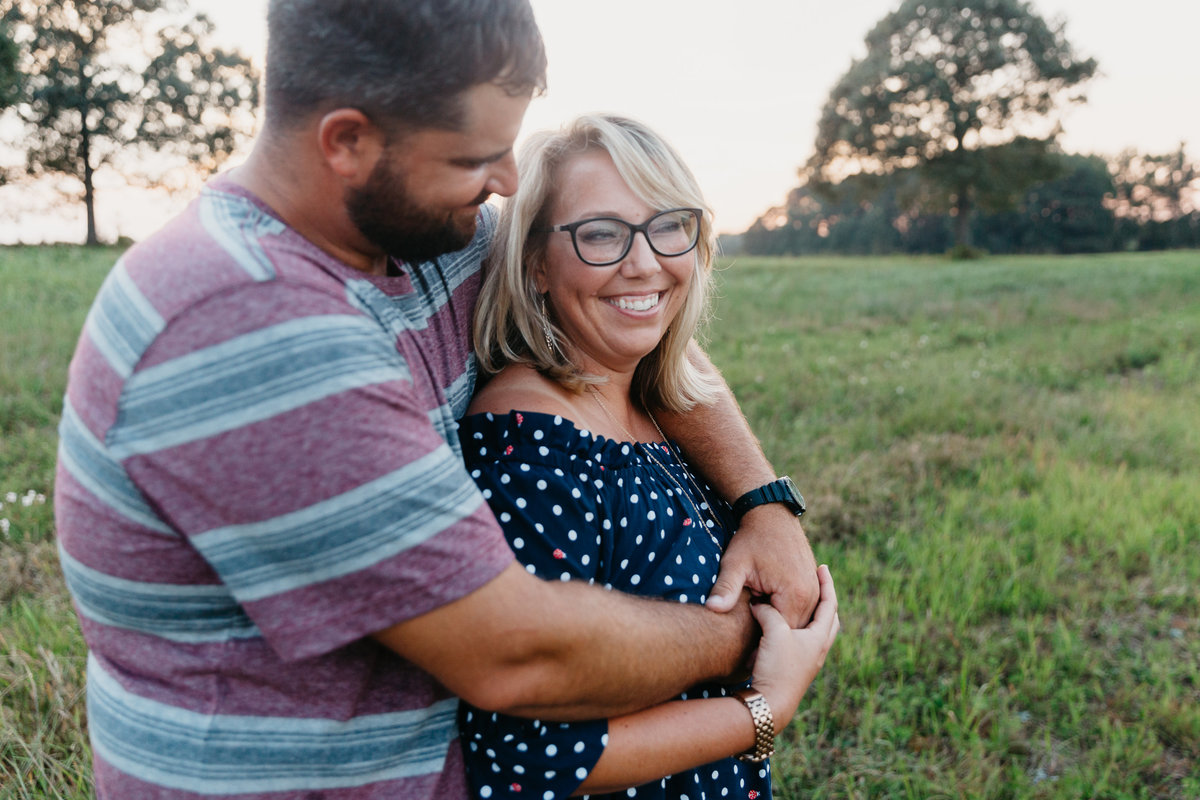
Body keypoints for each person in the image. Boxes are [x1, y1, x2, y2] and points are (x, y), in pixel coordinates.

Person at [53, 2, 825, 798]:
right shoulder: (245, 329)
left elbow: (629, 309)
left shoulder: (420, 230)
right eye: (476, 160)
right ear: (347, 141)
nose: (506, 184)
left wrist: (762, 502)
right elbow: (519, 654)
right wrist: (754, 639)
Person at [460, 114, 839, 800]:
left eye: (669, 225)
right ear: (536, 264)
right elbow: (525, 757)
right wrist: (761, 711)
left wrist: (766, 508)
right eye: (601, 233)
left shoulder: (645, 401)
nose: (644, 262)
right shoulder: (532, 452)